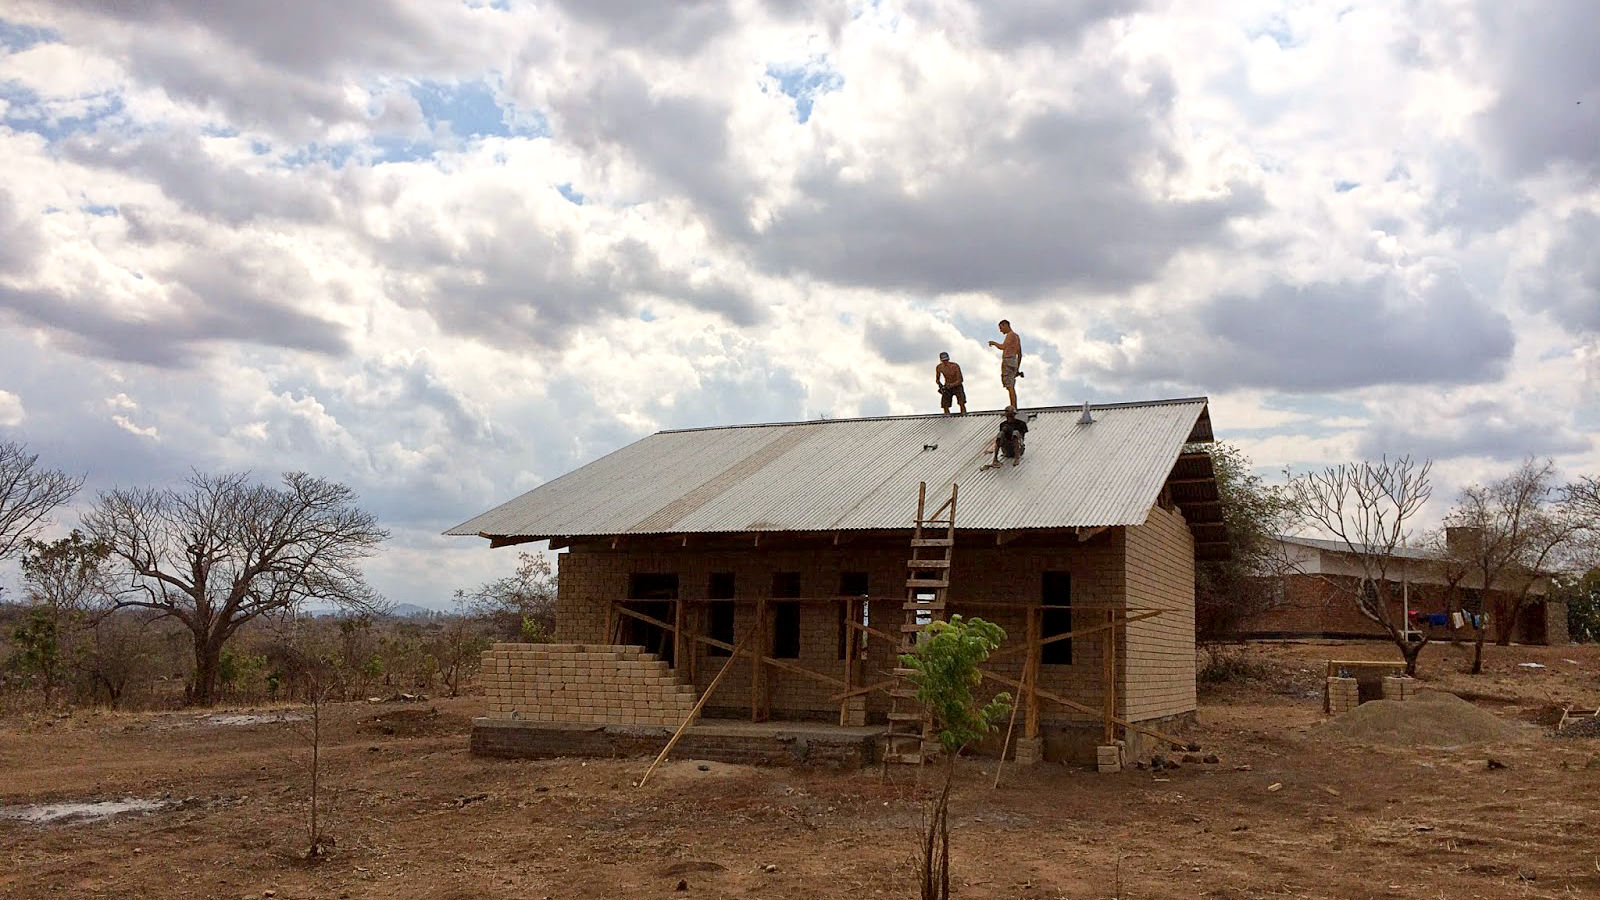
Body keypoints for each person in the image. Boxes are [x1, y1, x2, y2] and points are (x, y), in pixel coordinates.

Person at [987, 319, 1023, 408]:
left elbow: (1003, 347)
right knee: (1011, 386)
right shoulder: (1016, 336)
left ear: (1005, 325)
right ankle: (1014, 406)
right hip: (1014, 361)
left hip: (1008, 360)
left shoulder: (1010, 335)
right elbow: (1020, 354)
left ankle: (1013, 407)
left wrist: (993, 343)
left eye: (1001, 328)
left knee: (1009, 386)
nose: (1000, 330)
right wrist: (1017, 367)